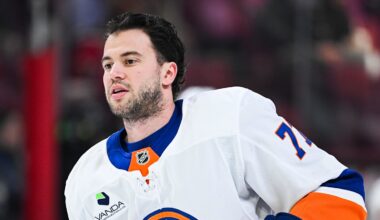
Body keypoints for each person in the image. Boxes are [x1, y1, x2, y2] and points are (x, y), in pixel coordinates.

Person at [64, 12, 367, 220]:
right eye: (107, 65)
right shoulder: (85, 179)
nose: (114, 73)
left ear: (167, 73)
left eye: (129, 60)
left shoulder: (232, 117)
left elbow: (340, 193)